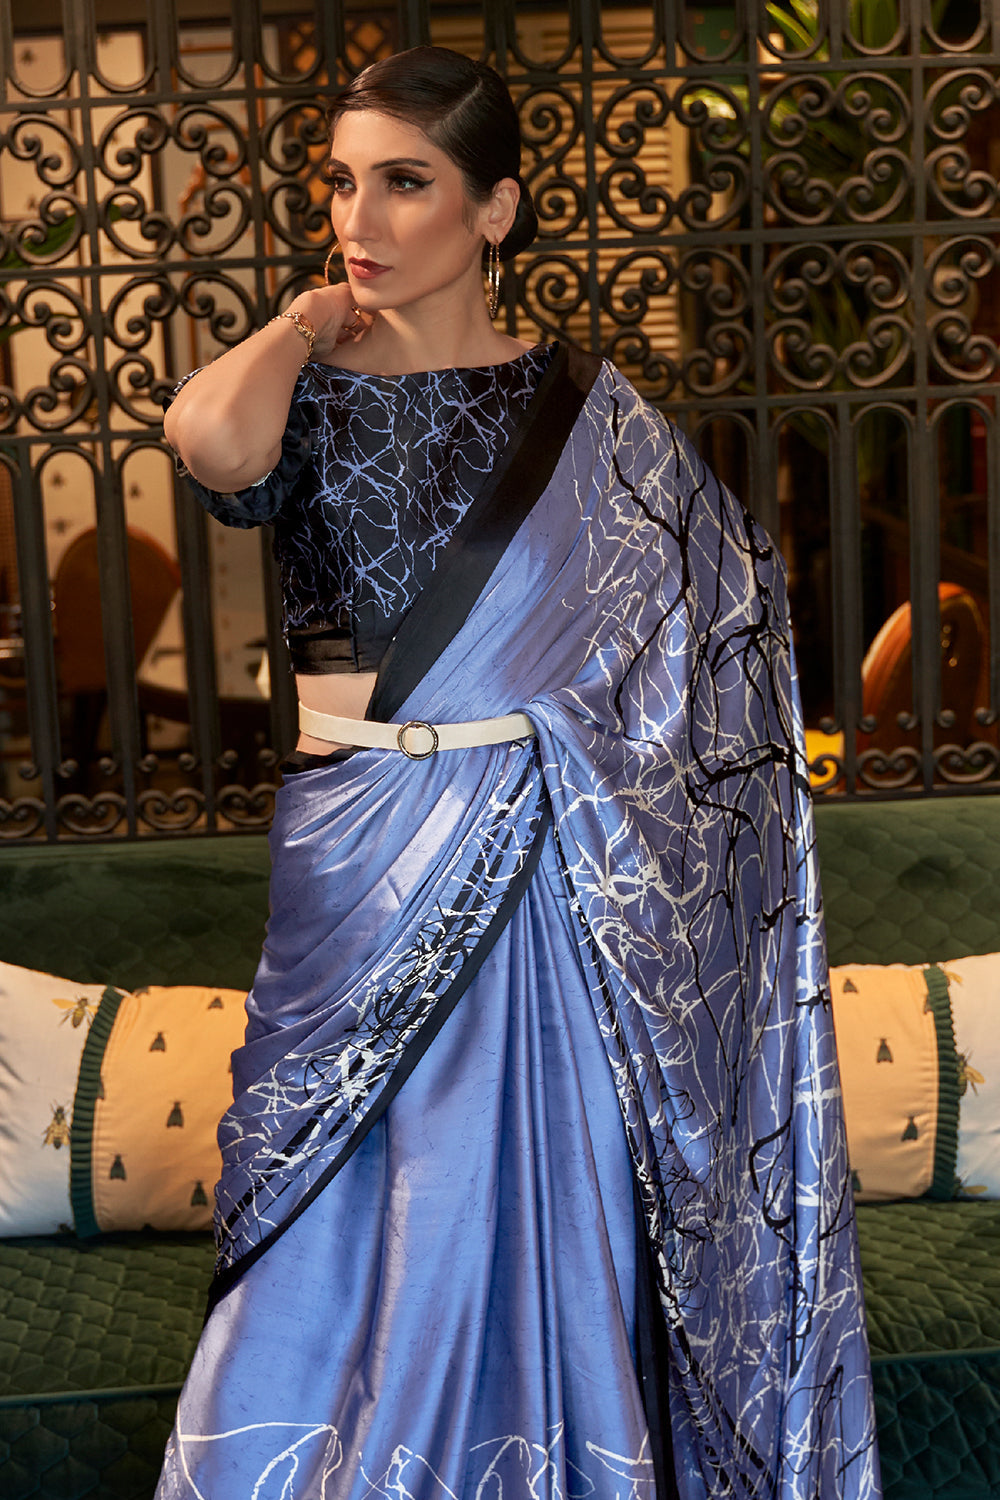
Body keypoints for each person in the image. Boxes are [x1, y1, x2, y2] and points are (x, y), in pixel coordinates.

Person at [156, 44, 880, 1500]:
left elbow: (713, 628)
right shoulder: (303, 389)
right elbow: (209, 443)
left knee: (540, 1197)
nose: (359, 218)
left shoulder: (593, 416)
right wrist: (301, 318)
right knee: (331, 1198)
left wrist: (605, 783)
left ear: (493, 209)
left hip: (550, 862)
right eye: (341, 184)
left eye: (404, 182)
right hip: (355, 848)